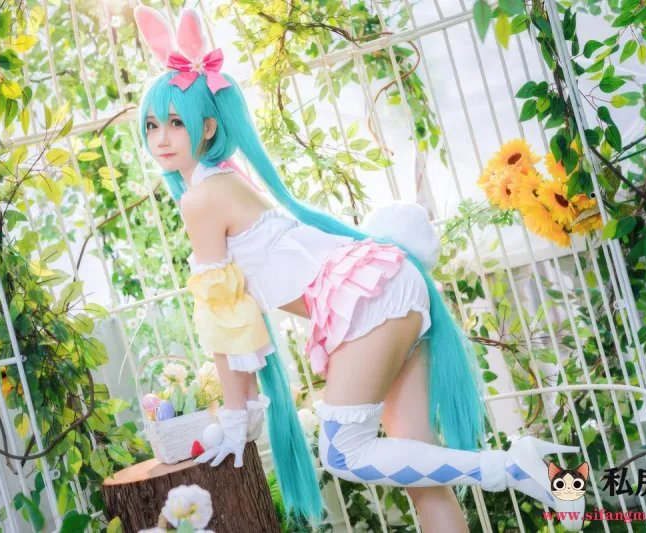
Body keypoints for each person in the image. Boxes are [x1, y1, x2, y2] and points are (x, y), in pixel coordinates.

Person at [133, 6, 586, 532]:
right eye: (152, 125)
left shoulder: (203, 198)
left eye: (176, 122)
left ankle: (512, 466)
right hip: (384, 286)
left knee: (344, 452)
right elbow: (233, 311)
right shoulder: (220, 181)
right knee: (420, 467)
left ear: (208, 126)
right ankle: (517, 470)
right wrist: (240, 413)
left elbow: (223, 313)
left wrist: (236, 419)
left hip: (369, 297)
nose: (162, 137)